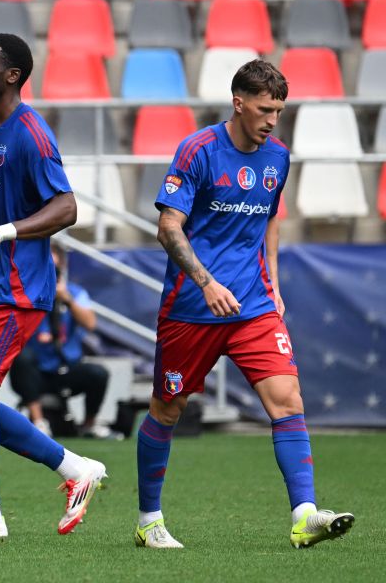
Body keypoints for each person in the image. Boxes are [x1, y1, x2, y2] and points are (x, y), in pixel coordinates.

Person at [135, 60, 355, 550]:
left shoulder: (278, 157)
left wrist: (273, 281)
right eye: (264, 109)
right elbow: (168, 227)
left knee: (288, 400)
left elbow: (271, 215)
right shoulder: (198, 150)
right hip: (192, 306)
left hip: (253, 306)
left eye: (279, 110)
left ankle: (305, 515)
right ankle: (149, 520)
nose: (273, 119)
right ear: (239, 103)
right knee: (167, 410)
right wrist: (207, 283)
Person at [0, 33, 105, 540]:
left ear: (11, 76)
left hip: (17, 287)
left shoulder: (31, 133)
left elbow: (66, 207)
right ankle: (75, 469)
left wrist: (0, 234)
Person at [9, 245, 114, 440]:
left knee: (98, 374)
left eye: (54, 269)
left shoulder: (74, 292)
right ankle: (38, 422)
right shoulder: (25, 293)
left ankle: (88, 425)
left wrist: (66, 299)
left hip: (65, 368)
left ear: (63, 267)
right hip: (34, 371)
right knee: (22, 358)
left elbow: (90, 323)